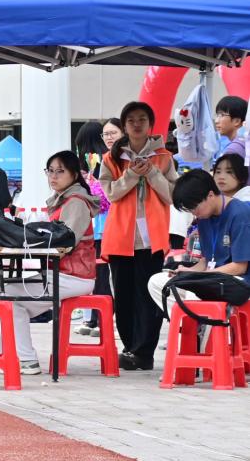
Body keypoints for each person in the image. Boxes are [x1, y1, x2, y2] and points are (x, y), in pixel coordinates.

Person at [0, 151, 100, 374]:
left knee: (9, 296)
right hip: (64, 273)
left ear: (74, 174)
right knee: (9, 296)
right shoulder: (64, 200)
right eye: (50, 171)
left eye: (60, 171)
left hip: (74, 276)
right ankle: (4, 357)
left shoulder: (75, 202)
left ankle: (19, 359)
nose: (53, 176)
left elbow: (65, 244)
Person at [99, 100, 177, 372]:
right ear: (124, 125)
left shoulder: (164, 157)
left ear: (150, 124)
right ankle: (130, 347)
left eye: (142, 119)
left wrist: (153, 172)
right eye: (131, 119)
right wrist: (132, 174)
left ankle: (144, 352)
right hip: (121, 238)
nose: (136, 124)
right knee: (124, 296)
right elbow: (111, 194)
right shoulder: (111, 158)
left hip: (152, 239)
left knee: (149, 297)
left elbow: (171, 195)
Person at [150, 169, 250, 317]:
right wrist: (189, 271)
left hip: (239, 282)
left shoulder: (239, 213)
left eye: (193, 207)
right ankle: (190, 328)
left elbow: (240, 267)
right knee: (156, 282)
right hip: (213, 278)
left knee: (194, 291)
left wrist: (201, 276)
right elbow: (206, 260)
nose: (193, 213)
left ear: (210, 195)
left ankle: (199, 328)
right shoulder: (204, 218)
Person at [73, 121, 113, 338]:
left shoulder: (99, 164)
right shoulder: (93, 164)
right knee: (97, 274)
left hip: (100, 226)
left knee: (100, 274)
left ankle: (100, 318)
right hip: (99, 226)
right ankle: (92, 317)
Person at [215, 95, 247, 159]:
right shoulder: (245, 142)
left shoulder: (233, 150)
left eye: (222, 115)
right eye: (217, 115)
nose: (216, 121)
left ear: (237, 121)